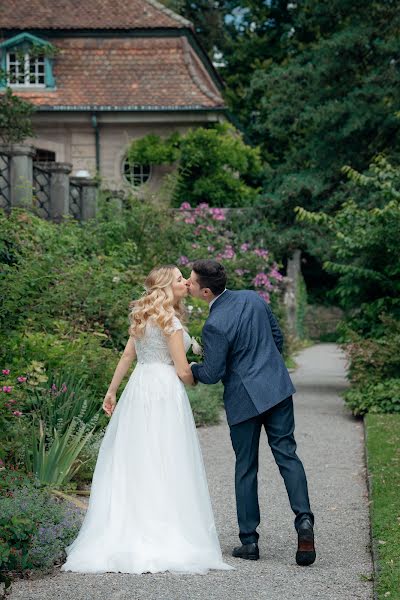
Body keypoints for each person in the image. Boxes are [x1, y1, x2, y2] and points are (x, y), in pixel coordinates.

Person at [61, 265, 233, 575]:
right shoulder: (171, 323)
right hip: (165, 391)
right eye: (181, 279)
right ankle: (162, 529)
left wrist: (112, 392)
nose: (186, 283)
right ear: (169, 287)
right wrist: (198, 378)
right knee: (166, 457)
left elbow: (128, 356)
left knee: (137, 457)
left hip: (139, 389)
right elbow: (182, 371)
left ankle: (131, 527)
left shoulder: (143, 317)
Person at [187, 259, 316, 566]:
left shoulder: (214, 325)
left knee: (246, 466)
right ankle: (304, 521)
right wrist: (268, 369)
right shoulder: (254, 298)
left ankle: (249, 542)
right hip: (277, 388)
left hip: (243, 400)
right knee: (287, 454)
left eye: (190, 282)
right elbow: (277, 339)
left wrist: (192, 367)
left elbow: (213, 373)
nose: (187, 284)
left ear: (205, 292)